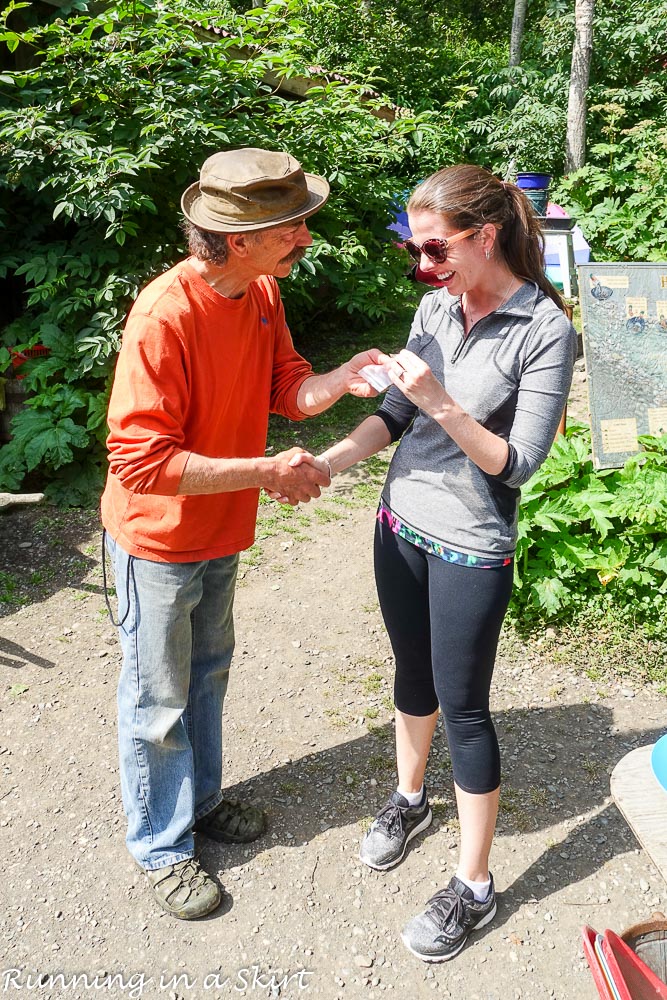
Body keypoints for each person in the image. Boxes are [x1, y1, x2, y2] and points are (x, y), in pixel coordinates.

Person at [284, 164, 577, 961]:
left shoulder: (545, 330)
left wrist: (442, 400)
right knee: (409, 676)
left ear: (485, 236)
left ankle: (473, 886)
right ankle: (409, 797)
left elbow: (513, 465)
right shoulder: (433, 306)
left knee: (464, 705)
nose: (422, 267)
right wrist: (327, 466)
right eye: (413, 252)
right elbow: (392, 415)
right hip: (398, 522)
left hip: (471, 545)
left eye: (435, 250)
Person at [101, 147, 382, 920]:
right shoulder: (165, 314)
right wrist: (265, 471)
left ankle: (200, 801)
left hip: (220, 532)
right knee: (156, 699)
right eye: (291, 227)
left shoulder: (258, 292)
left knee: (208, 674)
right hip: (156, 542)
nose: (306, 239)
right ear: (236, 238)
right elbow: (140, 461)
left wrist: (341, 378)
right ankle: (162, 847)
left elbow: (286, 385)